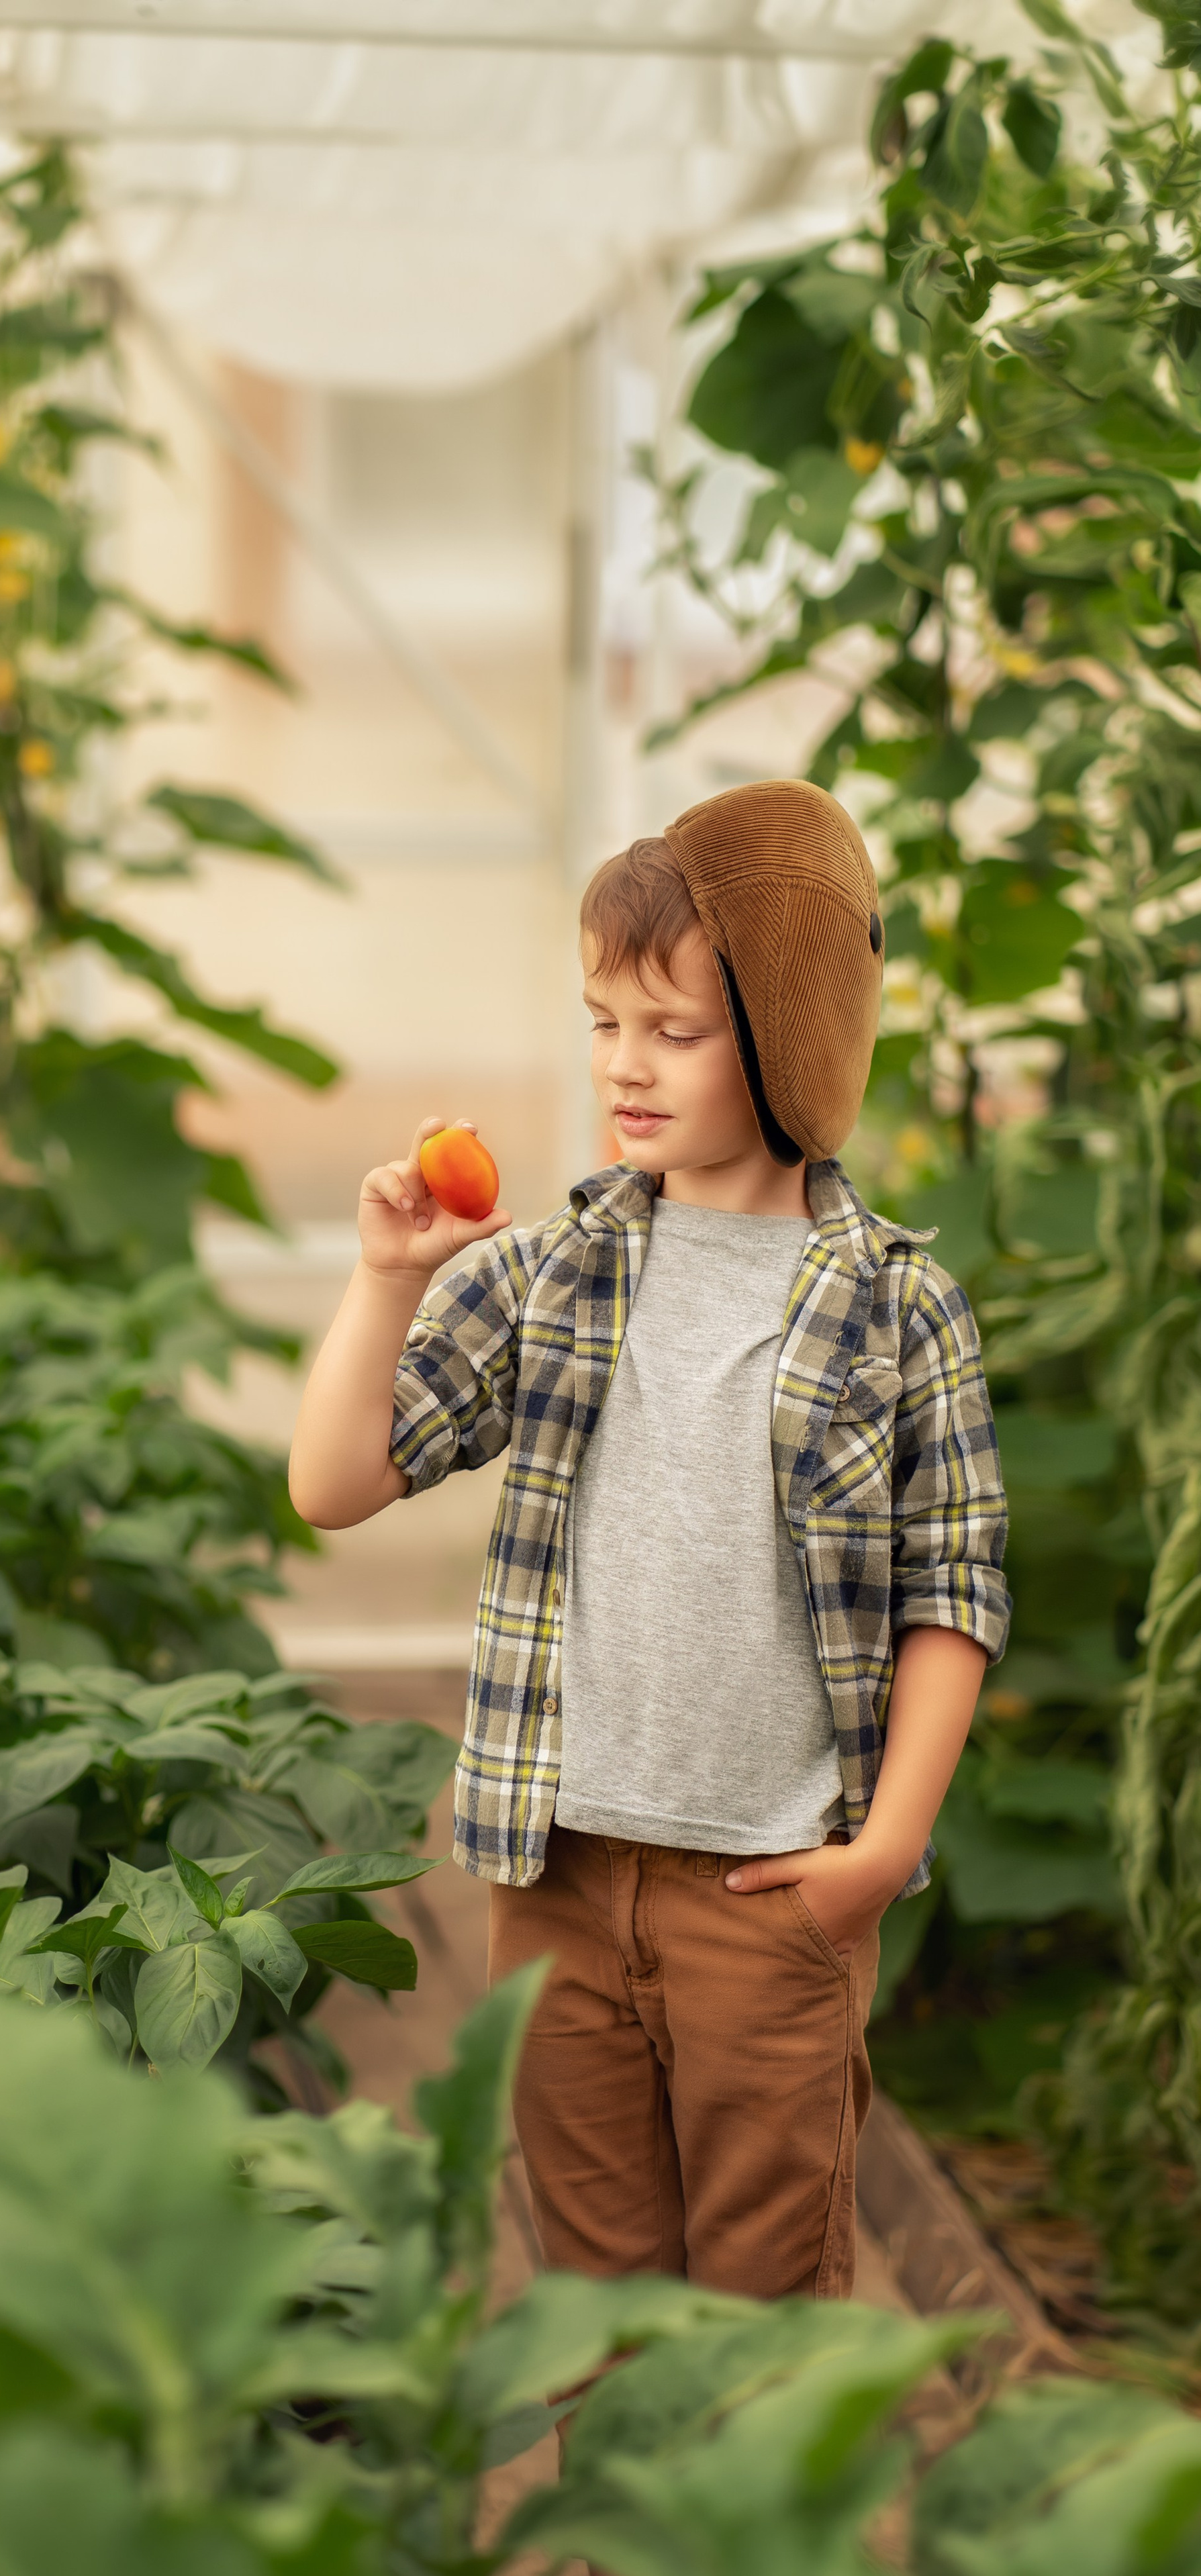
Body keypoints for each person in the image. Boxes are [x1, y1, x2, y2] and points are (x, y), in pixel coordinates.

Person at [289, 779, 1009, 2299]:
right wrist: (383, 1283)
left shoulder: (894, 1306)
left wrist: (878, 1856)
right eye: (603, 1021)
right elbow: (335, 1484)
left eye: (673, 1032)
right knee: (595, 2305)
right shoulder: (552, 1272)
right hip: (555, 1874)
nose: (624, 1065)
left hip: (766, 1889)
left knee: (757, 2314)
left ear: (790, 1033)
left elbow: (948, 1594)